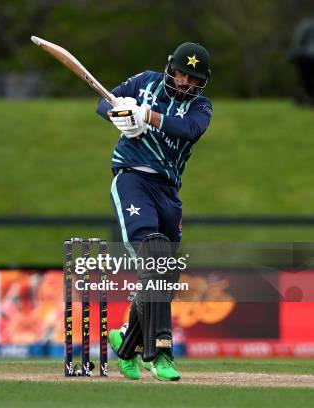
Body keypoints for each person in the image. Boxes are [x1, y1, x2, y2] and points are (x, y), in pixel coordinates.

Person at [96, 42, 213, 381]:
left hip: (168, 192)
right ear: (170, 68)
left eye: (194, 79)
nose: (186, 83)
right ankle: (160, 352)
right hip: (133, 179)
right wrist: (121, 117)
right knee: (155, 256)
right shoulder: (144, 82)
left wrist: (145, 115)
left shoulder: (201, 106)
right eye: (182, 74)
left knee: (166, 274)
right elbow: (103, 102)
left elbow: (188, 130)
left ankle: (126, 341)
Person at [288, 17, 314, 106]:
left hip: (306, 57)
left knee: (306, 80)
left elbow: (298, 41)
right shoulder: (308, 24)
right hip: (307, 57)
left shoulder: (307, 24)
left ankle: (308, 96)